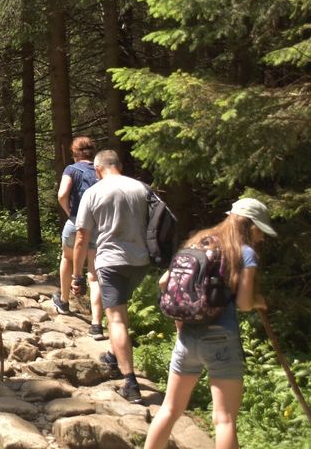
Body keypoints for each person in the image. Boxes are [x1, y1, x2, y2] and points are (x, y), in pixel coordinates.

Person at [144, 198, 274, 449]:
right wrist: (259, 301)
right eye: (260, 230)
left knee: (170, 409)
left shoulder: (198, 242)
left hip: (187, 336)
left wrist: (184, 315)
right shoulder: (244, 252)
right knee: (224, 420)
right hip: (221, 338)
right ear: (249, 225)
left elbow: (163, 282)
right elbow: (244, 303)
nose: (262, 238)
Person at [72, 149, 150, 403]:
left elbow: (82, 237)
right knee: (122, 312)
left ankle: (130, 382)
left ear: (97, 170)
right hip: (141, 262)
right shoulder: (142, 188)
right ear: (119, 165)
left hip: (111, 262)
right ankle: (115, 355)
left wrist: (77, 275)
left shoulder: (93, 192)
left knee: (116, 320)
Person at [53, 136, 105, 341]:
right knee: (94, 274)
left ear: (74, 153)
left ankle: (64, 301)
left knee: (67, 258)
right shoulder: (101, 170)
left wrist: (70, 213)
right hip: (98, 226)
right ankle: (97, 325)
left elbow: (61, 194)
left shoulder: (71, 169)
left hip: (76, 223)